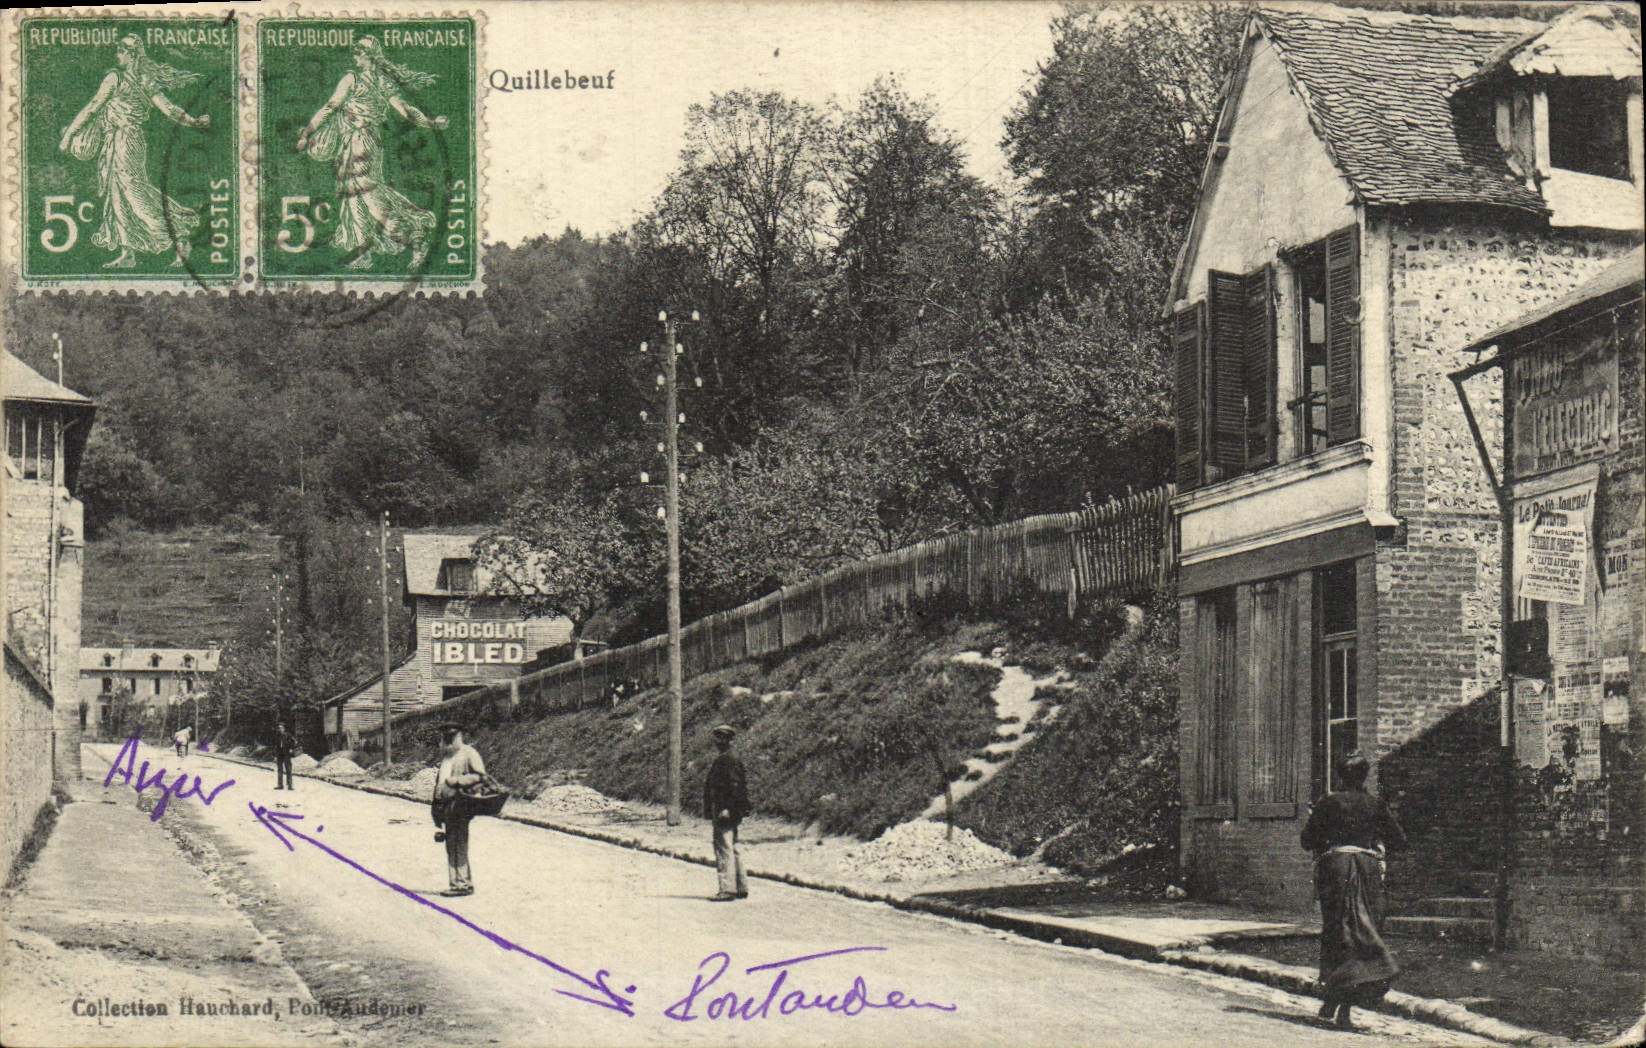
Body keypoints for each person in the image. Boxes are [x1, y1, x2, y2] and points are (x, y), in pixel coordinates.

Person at [295, 35, 447, 270]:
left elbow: (330, 107)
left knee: (369, 196)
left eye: (358, 53)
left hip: (360, 143)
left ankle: (414, 237)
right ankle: (363, 253)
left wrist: (307, 133)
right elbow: (407, 111)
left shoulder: (352, 79)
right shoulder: (382, 82)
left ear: (369, 57)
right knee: (353, 195)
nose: (355, 56)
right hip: (364, 142)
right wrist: (431, 122)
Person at [58, 35, 211, 269]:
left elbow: (92, 108)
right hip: (123, 140)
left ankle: (179, 237)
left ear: (130, 54)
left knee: (132, 192)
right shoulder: (143, 79)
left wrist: (69, 135)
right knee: (117, 195)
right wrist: (193, 121)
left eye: (120, 51)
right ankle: (128, 253)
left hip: (124, 140)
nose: (117, 55)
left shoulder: (115, 78)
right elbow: (169, 109)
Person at [1301, 753, 1408, 1030]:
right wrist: (1376, 846)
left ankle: (1333, 996)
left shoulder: (1327, 803)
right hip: (1366, 871)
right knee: (1364, 933)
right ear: (1364, 776)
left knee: (1339, 933)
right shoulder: (1375, 804)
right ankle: (1343, 1006)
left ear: (1340, 776)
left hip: (1335, 871)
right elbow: (1399, 839)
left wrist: (1326, 832)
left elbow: (1307, 840)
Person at [432, 722, 486, 897]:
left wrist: (458, 781)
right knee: (451, 844)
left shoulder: (469, 753)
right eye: (445, 737)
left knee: (458, 843)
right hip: (446, 805)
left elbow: (480, 776)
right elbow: (439, 782)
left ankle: (461, 884)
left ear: (460, 736)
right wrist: (436, 807)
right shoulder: (447, 757)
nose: (447, 740)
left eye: (451, 736)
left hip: (461, 804)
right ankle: (460, 883)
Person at [704, 724, 750, 901]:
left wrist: (727, 808)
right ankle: (740, 886)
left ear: (728, 739)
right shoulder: (729, 757)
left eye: (722, 738)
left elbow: (735, 786)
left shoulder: (728, 759)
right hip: (730, 809)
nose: (718, 741)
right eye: (717, 737)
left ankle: (727, 889)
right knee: (733, 846)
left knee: (723, 848)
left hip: (726, 810)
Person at [273, 721, 297, 790]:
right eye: (279, 728)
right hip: (279, 755)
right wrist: (275, 756)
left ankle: (290, 785)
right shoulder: (277, 736)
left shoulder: (288, 735)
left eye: (281, 728)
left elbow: (294, 742)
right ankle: (280, 785)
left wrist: (292, 749)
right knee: (280, 770)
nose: (280, 729)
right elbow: (275, 746)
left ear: (284, 728)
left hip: (286, 754)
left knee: (288, 770)